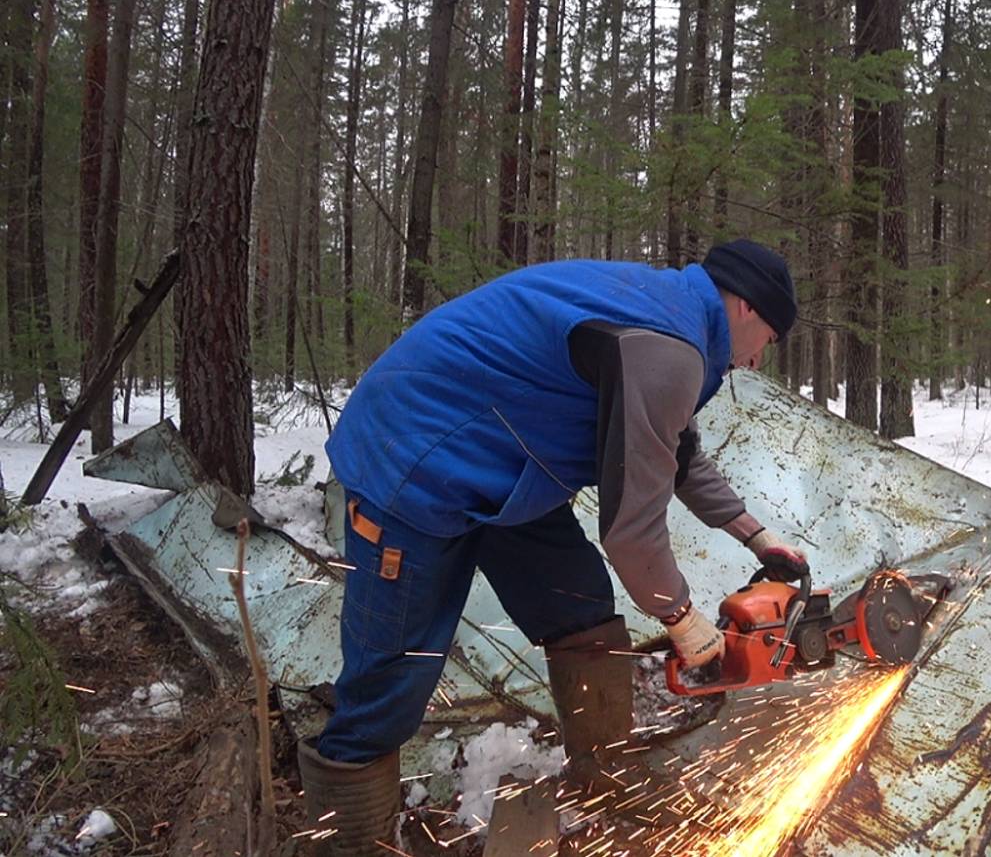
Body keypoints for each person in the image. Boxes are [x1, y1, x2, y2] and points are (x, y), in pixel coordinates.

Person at [298, 239, 809, 853]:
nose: (757, 363)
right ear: (749, 308)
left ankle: (607, 779)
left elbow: (674, 450)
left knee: (581, 610)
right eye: (770, 343)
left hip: (502, 463)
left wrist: (754, 534)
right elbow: (632, 534)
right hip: (415, 458)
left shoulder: (671, 316)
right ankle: (351, 841)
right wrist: (680, 616)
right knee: (391, 679)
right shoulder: (667, 345)